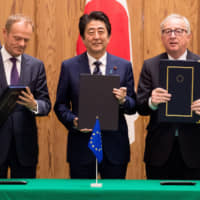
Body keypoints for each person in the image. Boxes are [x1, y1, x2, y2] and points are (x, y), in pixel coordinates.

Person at [54, 11, 136, 179]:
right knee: (81, 195)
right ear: (83, 38)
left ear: (109, 36)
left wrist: (123, 100)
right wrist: (73, 121)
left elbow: (133, 105)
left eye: (101, 31)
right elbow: (60, 105)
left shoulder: (124, 66)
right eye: (91, 32)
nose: (96, 36)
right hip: (81, 147)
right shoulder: (69, 66)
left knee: (114, 195)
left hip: (115, 147)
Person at [137, 14, 200, 180]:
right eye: (167, 31)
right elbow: (140, 106)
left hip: (194, 150)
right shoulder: (150, 66)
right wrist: (152, 102)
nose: (172, 36)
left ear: (189, 36)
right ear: (162, 37)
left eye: (179, 31)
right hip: (159, 150)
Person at [0, 14, 51, 178]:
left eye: (26, 40)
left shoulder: (36, 66)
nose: (22, 44)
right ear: (4, 32)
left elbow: (46, 104)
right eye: (17, 38)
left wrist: (34, 105)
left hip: (25, 149)